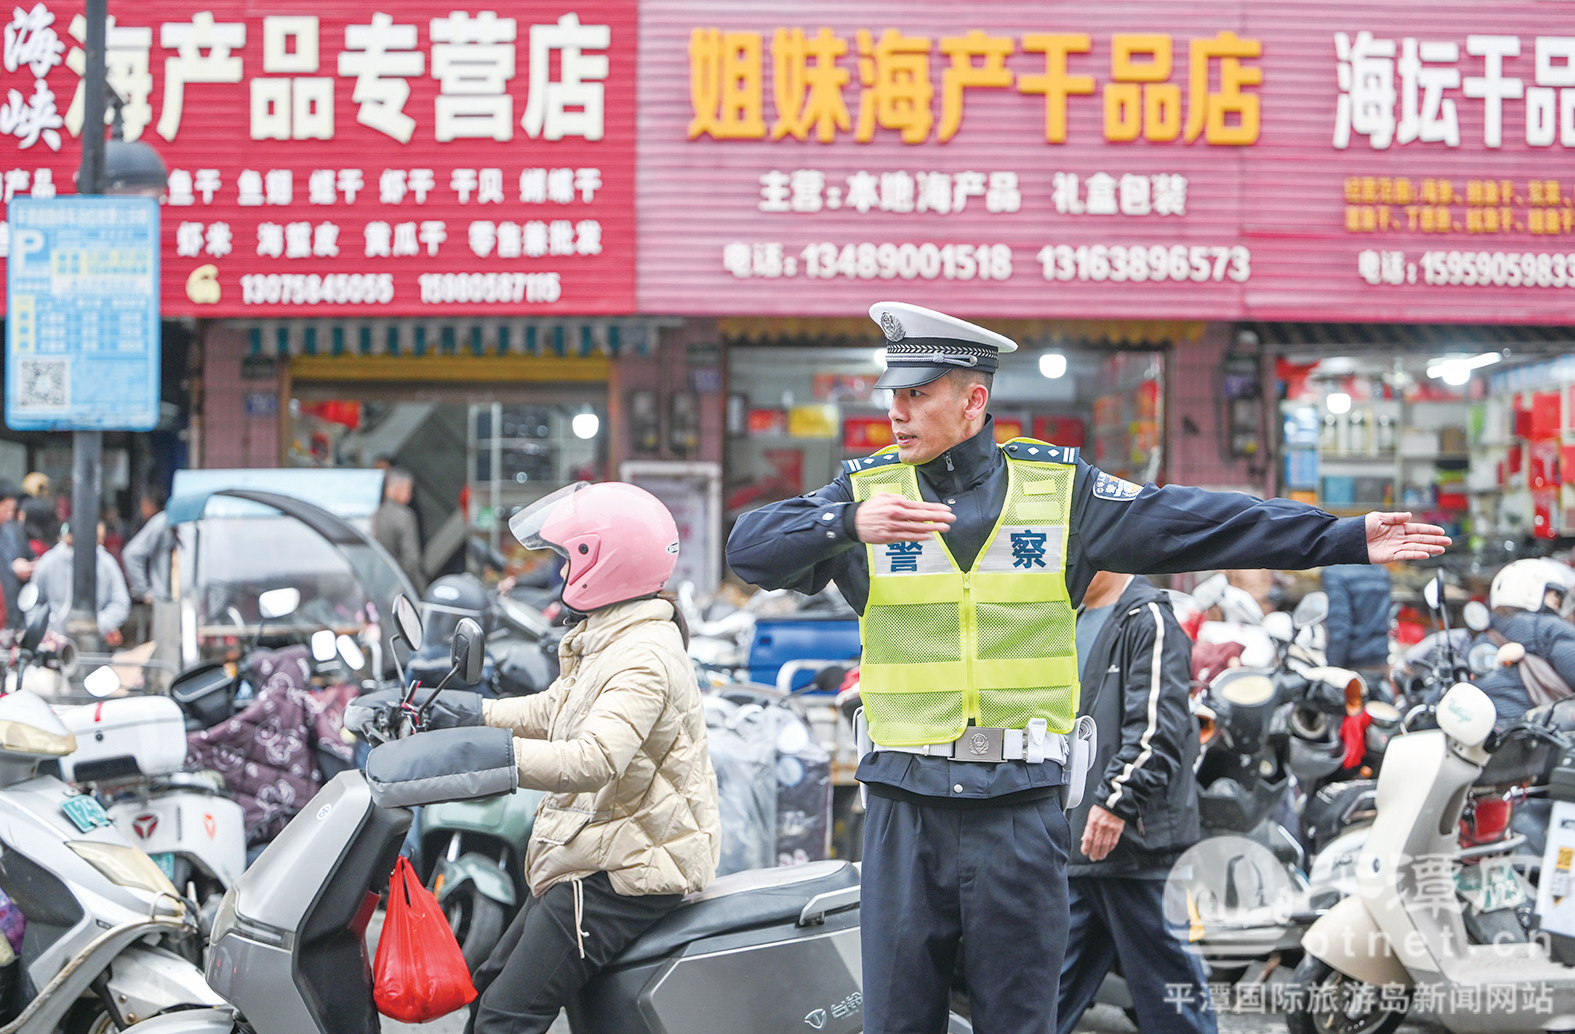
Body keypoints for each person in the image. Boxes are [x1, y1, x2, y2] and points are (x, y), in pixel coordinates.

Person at [724, 301, 1450, 1034]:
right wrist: (845, 523)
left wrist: (1339, 538)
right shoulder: (864, 495)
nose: (896, 411)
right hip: (902, 810)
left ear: (973, 400)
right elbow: (749, 549)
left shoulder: (1059, 493)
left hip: (1020, 811)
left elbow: (1197, 521)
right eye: (893, 394)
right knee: (896, 1023)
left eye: (917, 393)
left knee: (1021, 1021)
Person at [462, 481, 720, 1034]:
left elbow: (593, 759)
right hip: (595, 851)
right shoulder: (612, 636)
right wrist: (471, 714)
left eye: (569, 558)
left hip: (624, 871)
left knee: (505, 1017)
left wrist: (487, 754)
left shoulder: (643, 655)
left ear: (604, 562)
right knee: (487, 989)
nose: (560, 572)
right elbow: (554, 708)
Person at [1056, 570, 1214, 1034]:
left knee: (1173, 1000)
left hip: (1135, 844)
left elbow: (1158, 729)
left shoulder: (1148, 618)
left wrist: (1115, 803)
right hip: (1079, 843)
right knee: (1042, 994)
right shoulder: (1072, 616)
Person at [1467, 557, 1575, 723]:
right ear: (1531, 591)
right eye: (1555, 594)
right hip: (1537, 732)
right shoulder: (1550, 628)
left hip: (1485, 726)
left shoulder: (1485, 637)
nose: (1558, 602)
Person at [26, 521, 131, 645]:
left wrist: (99, 625)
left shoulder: (106, 563)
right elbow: (33, 604)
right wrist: (46, 635)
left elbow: (120, 603)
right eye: (96, 538)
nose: (100, 543)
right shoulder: (48, 562)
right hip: (53, 643)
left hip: (94, 641)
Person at [1322, 563, 1394, 694]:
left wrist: (1333, 668)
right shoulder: (1380, 571)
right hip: (1378, 660)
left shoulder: (1335, 573)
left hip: (1352, 663)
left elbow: (1340, 626)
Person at [373, 466, 425, 593]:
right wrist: (420, 590)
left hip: (378, 585)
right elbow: (411, 560)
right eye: (408, 489)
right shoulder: (404, 516)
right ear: (397, 488)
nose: (410, 495)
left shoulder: (376, 514)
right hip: (399, 587)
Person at [123, 490, 175, 606]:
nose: (142, 510)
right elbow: (131, 554)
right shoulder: (162, 521)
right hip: (165, 599)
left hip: (174, 597)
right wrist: (144, 591)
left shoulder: (162, 520)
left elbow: (131, 554)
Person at [0, 481, 24, 628]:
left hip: (11, 607)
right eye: (6, 508)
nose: (10, 514)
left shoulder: (11, 531)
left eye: (12, 510)